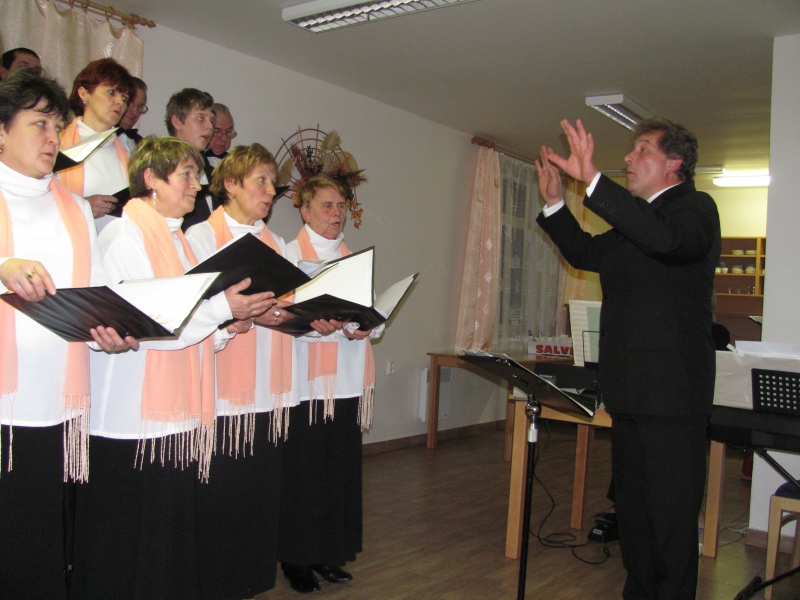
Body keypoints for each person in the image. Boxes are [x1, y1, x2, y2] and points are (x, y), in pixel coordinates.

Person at [70, 136, 276, 599]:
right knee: (127, 542)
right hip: (131, 417)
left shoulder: (181, 243)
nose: (198, 185)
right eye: (186, 174)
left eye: (198, 175)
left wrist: (226, 326)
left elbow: (192, 329)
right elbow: (148, 323)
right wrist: (220, 310)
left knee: (166, 541)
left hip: (176, 414)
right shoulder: (123, 236)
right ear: (151, 178)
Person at [535, 118, 721, 599]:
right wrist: (555, 202)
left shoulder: (695, 209)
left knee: (671, 517)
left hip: (673, 394)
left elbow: (664, 240)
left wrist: (594, 180)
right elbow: (585, 253)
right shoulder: (634, 222)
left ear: (674, 163)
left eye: (642, 150)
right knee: (633, 513)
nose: (628, 158)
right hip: (629, 389)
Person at [0, 69, 136, 599]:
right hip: (3, 403)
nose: (53, 138)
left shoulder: (75, 207)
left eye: (57, 126)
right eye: (39, 124)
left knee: (42, 540)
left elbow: (95, 294)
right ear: (2, 130)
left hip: (59, 402)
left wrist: (111, 333)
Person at [187, 143, 297, 599]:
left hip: (267, 386)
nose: (271, 192)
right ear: (230, 184)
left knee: (258, 493)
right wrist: (232, 316)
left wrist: (278, 313)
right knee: (221, 493)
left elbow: (289, 307)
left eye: (273, 183)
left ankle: (251, 580)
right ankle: (215, 582)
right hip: (219, 385)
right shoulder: (199, 237)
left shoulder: (278, 244)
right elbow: (190, 311)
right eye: (261, 181)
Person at [279, 175, 382, 594]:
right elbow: (277, 320)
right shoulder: (287, 257)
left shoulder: (353, 259)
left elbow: (367, 317)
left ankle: (327, 553)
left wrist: (363, 327)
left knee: (334, 472)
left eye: (341, 205)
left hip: (345, 381)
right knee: (302, 473)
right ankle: (295, 558)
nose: (336, 213)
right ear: (304, 211)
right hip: (302, 383)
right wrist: (313, 326)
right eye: (327, 205)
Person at [59, 58, 137, 231]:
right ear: (84, 93)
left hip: (120, 241)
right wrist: (83, 206)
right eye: (111, 92)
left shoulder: (129, 148)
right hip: (77, 238)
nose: (120, 102)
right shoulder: (59, 144)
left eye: (124, 98)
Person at [163, 88, 218, 231]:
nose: (210, 126)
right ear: (177, 122)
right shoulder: (161, 169)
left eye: (212, 120)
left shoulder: (215, 173)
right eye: (201, 118)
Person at [117, 76, 148, 150]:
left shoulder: (144, 146)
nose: (135, 111)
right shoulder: (101, 139)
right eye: (131, 103)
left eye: (140, 106)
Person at [204, 102, 236, 168]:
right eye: (217, 132)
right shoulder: (193, 161)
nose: (224, 139)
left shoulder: (236, 164)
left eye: (228, 131)